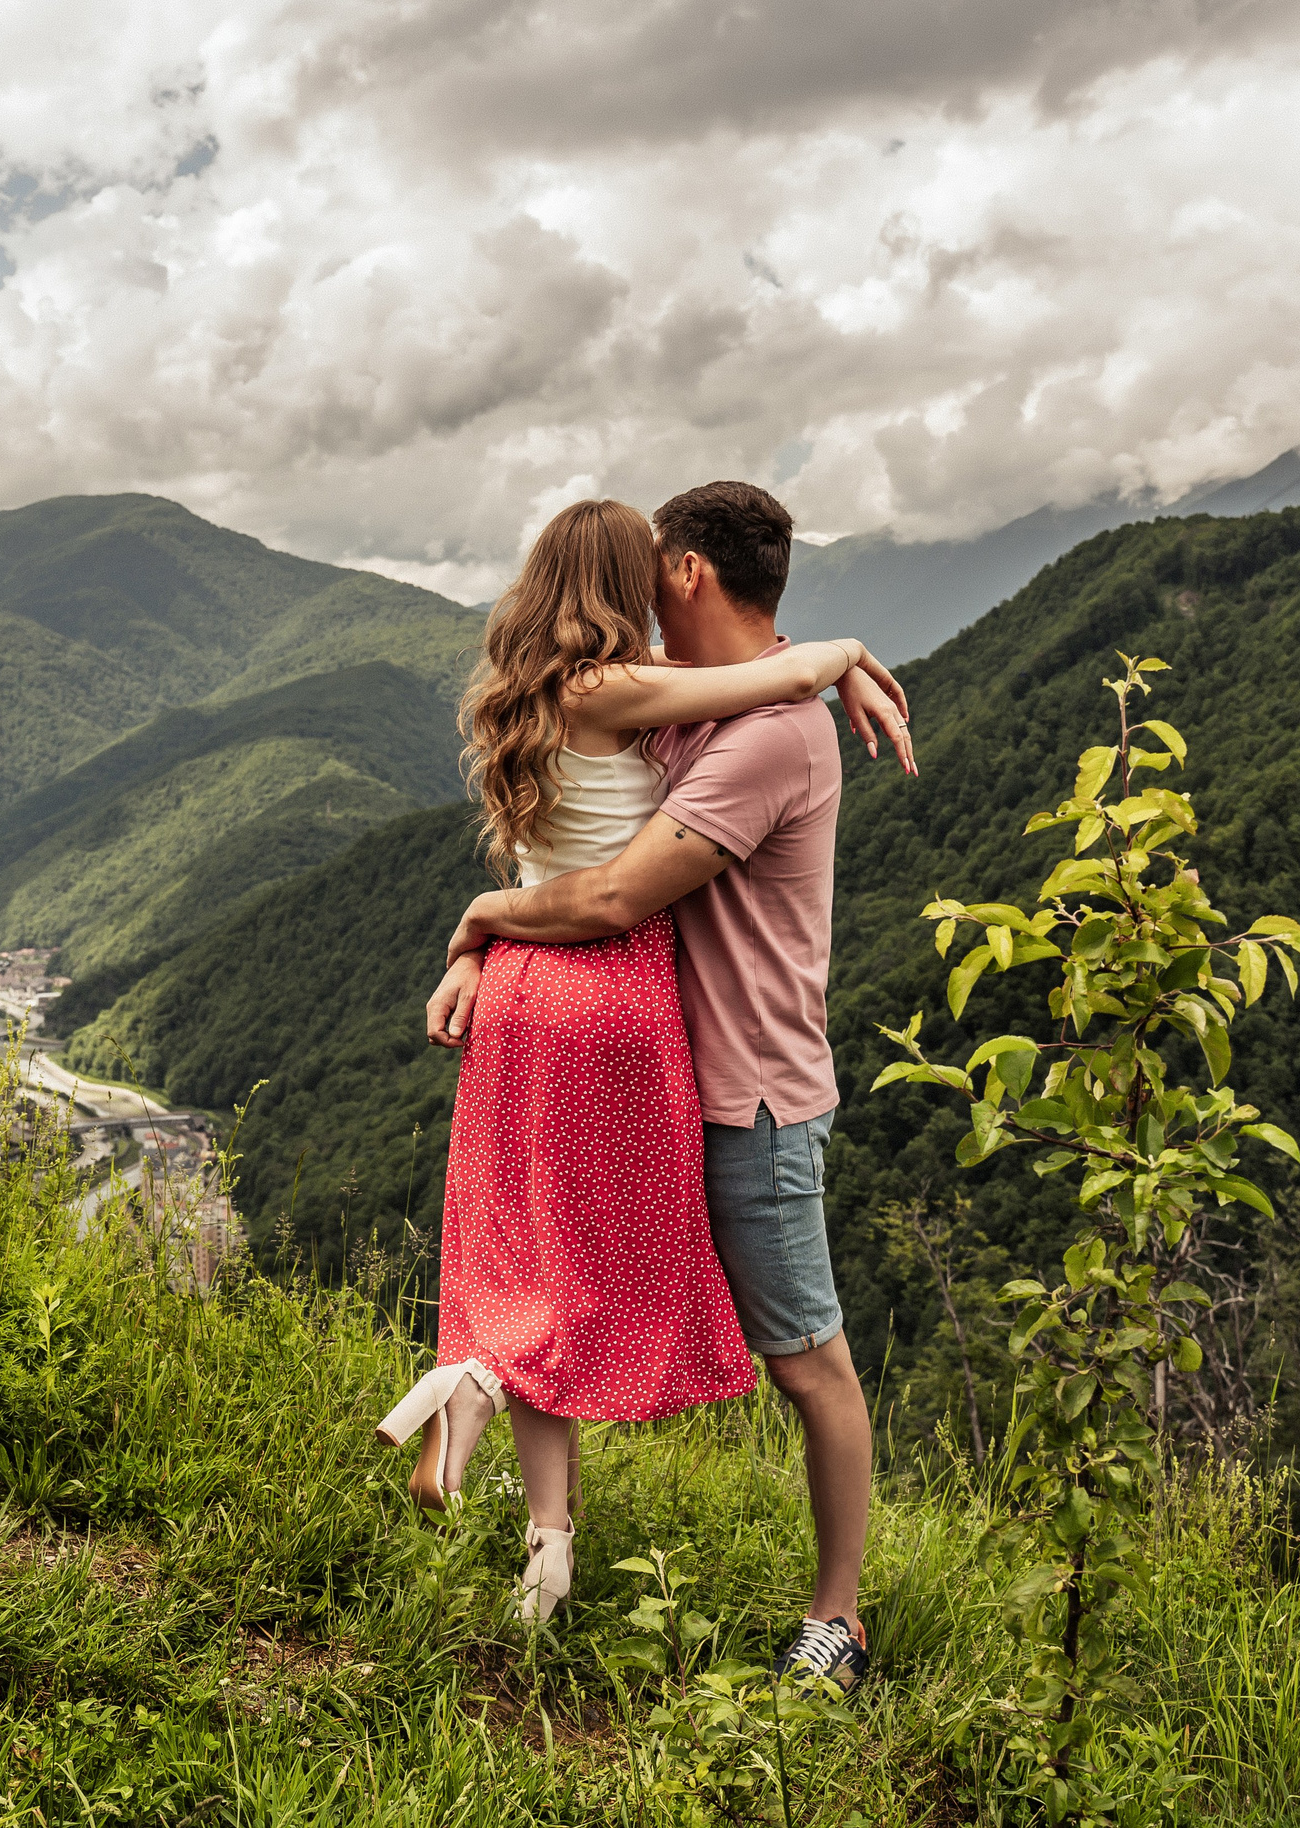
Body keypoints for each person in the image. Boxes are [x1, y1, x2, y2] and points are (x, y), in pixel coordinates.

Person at [375, 496, 911, 1628]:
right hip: (641, 1054)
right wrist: (842, 653)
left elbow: (616, 889)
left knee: (801, 1355)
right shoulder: (663, 704)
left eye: (653, 579)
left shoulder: (762, 730)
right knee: (576, 1280)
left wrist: (483, 921)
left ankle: (835, 1617)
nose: (640, 606)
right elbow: (589, 865)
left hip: (745, 1093)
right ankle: (540, 1510)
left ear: (683, 570)